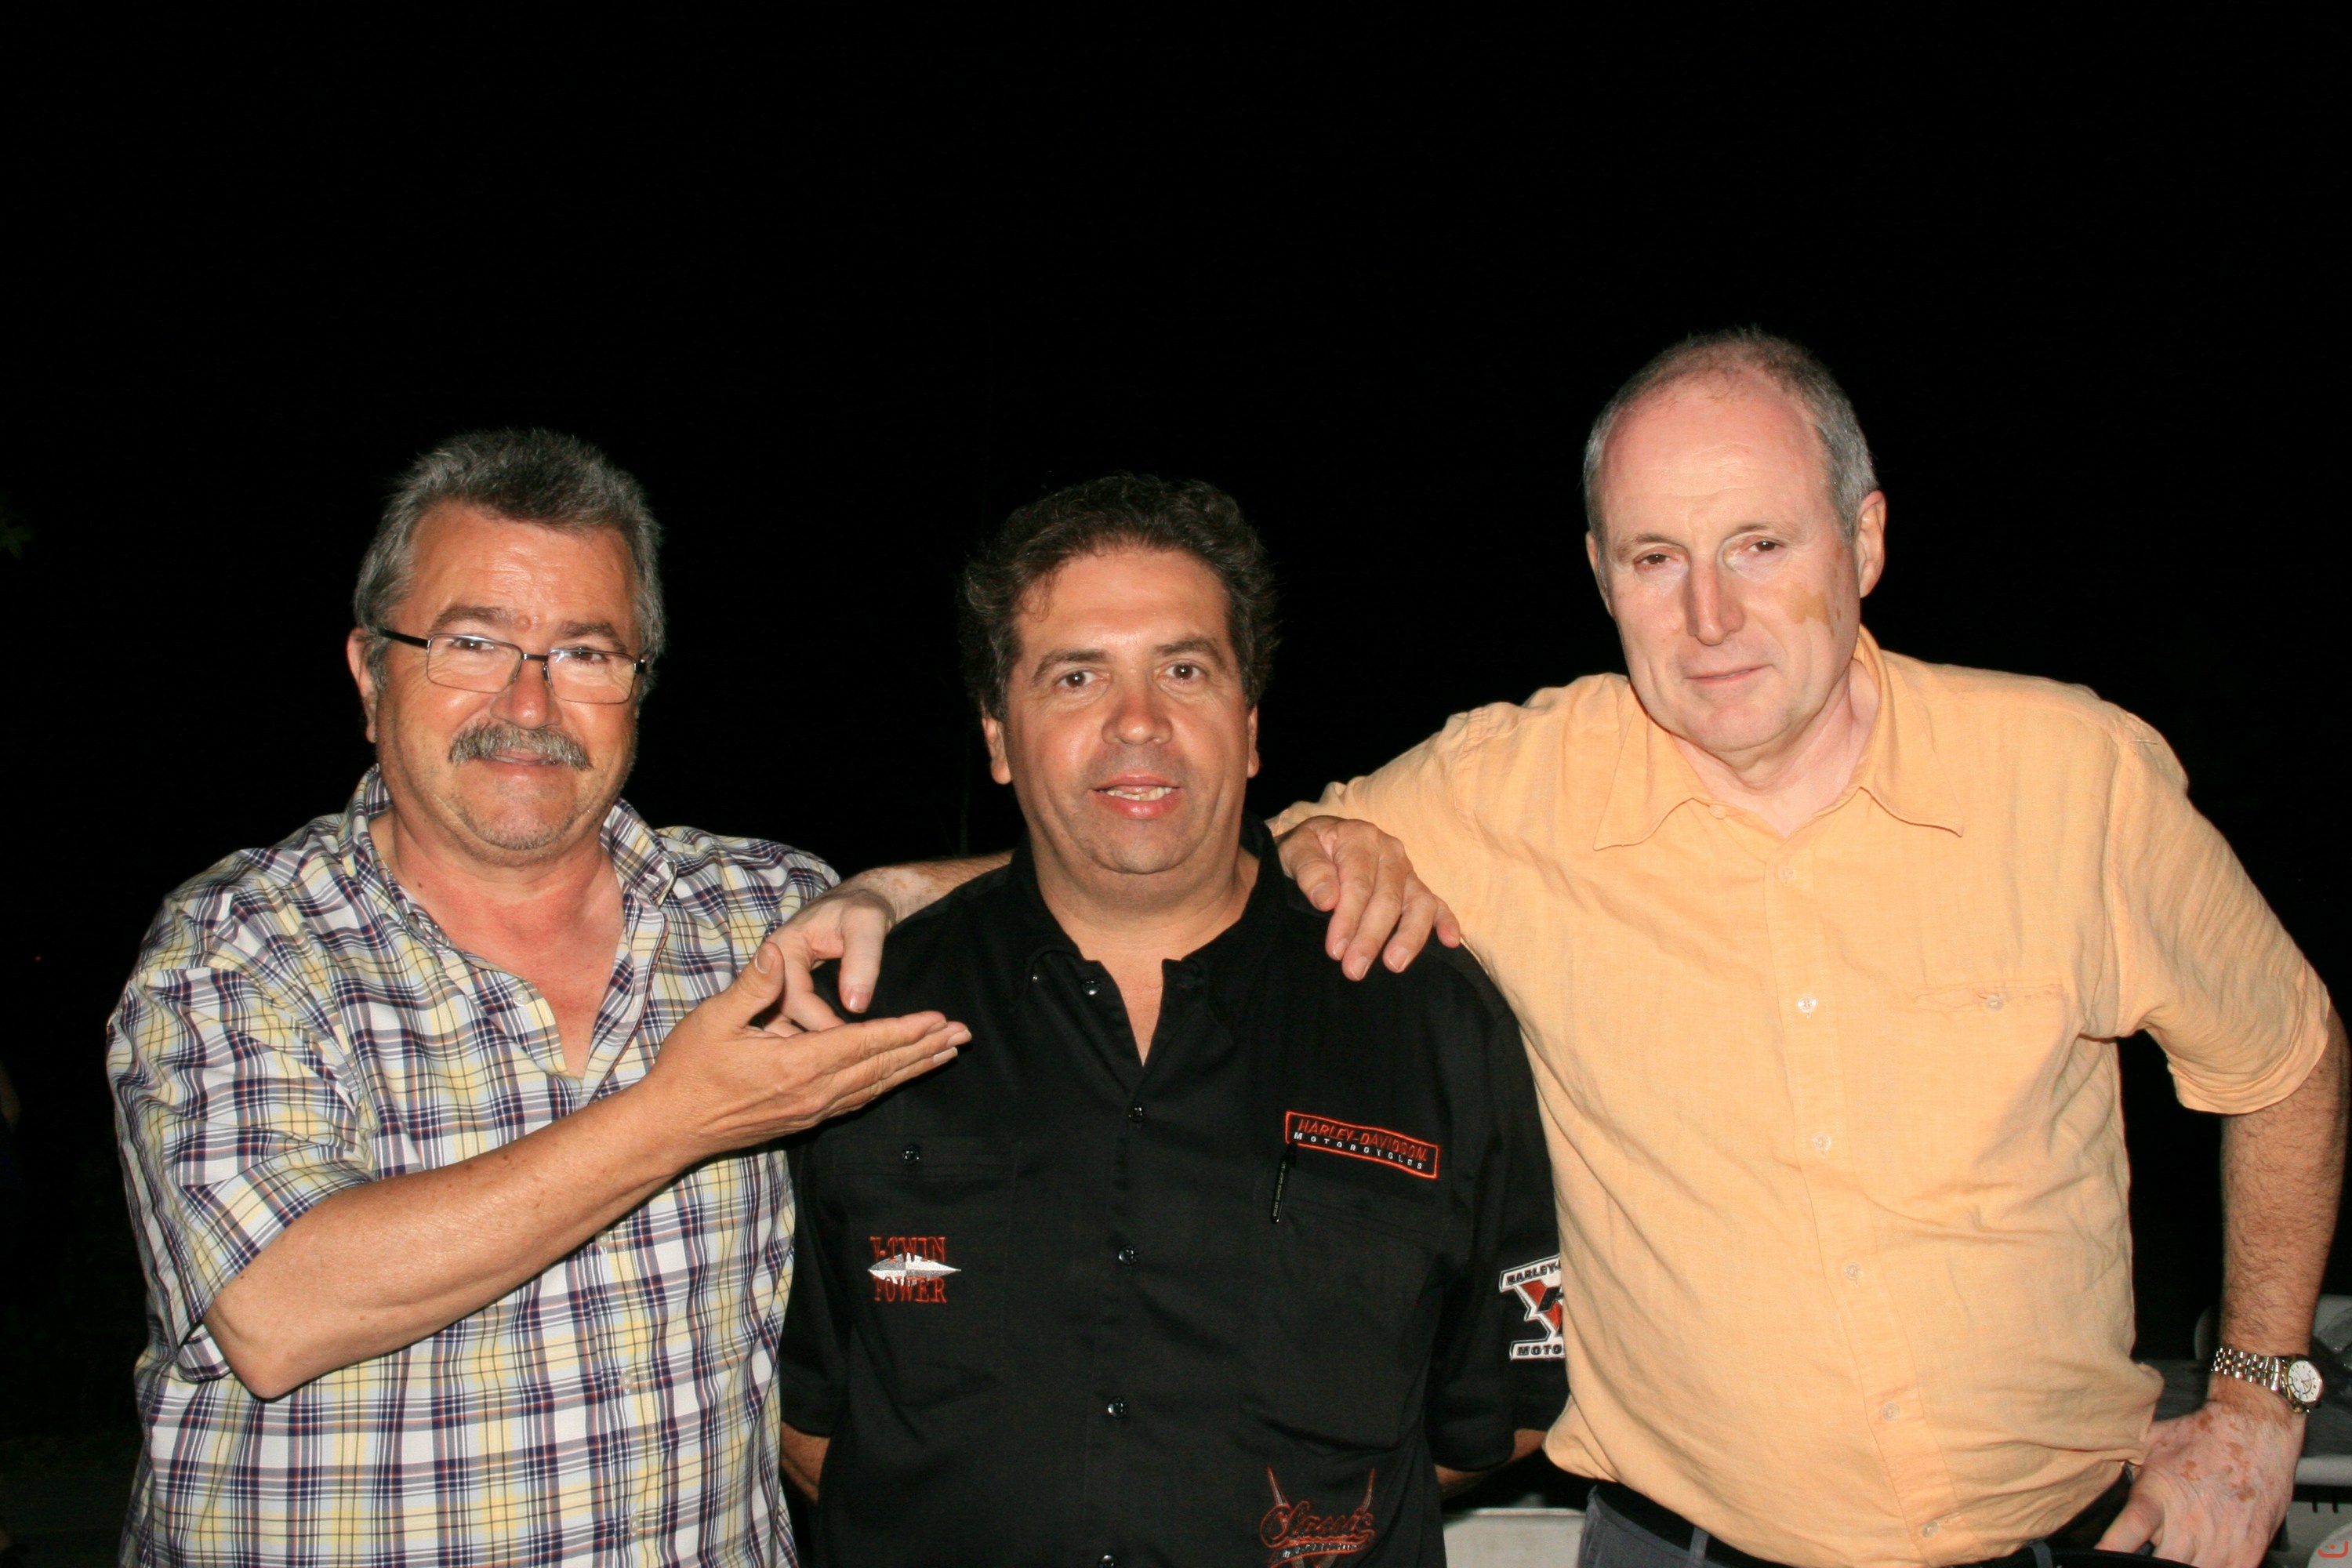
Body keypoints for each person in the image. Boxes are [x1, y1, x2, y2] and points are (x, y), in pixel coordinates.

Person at [779, 332, 2345, 1568]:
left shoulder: (2073, 780)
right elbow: (1160, 841)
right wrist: (900, 891)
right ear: (1600, 575)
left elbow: (2286, 1060)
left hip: (2068, 1534)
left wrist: (2260, 1397)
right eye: (1656, 558)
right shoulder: (1507, 789)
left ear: (1865, 540)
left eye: (1760, 543)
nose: (1711, 614)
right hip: (1678, 1546)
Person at [104, 430, 970, 1566]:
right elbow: (274, 1309)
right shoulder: (242, 941)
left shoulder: (758, 912)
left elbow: (1075, 890)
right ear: (369, 670)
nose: (530, 701)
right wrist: (677, 1117)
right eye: (473, 642)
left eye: (586, 652)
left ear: (639, 687)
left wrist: (890, 887)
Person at [771, 476, 1566, 1566]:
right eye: (1077, 676)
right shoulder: (855, 1016)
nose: (1138, 721)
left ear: (1249, 727)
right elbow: (805, 1419)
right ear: (998, 736)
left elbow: (1495, 1416)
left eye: (1184, 670)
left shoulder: (1426, 1016)